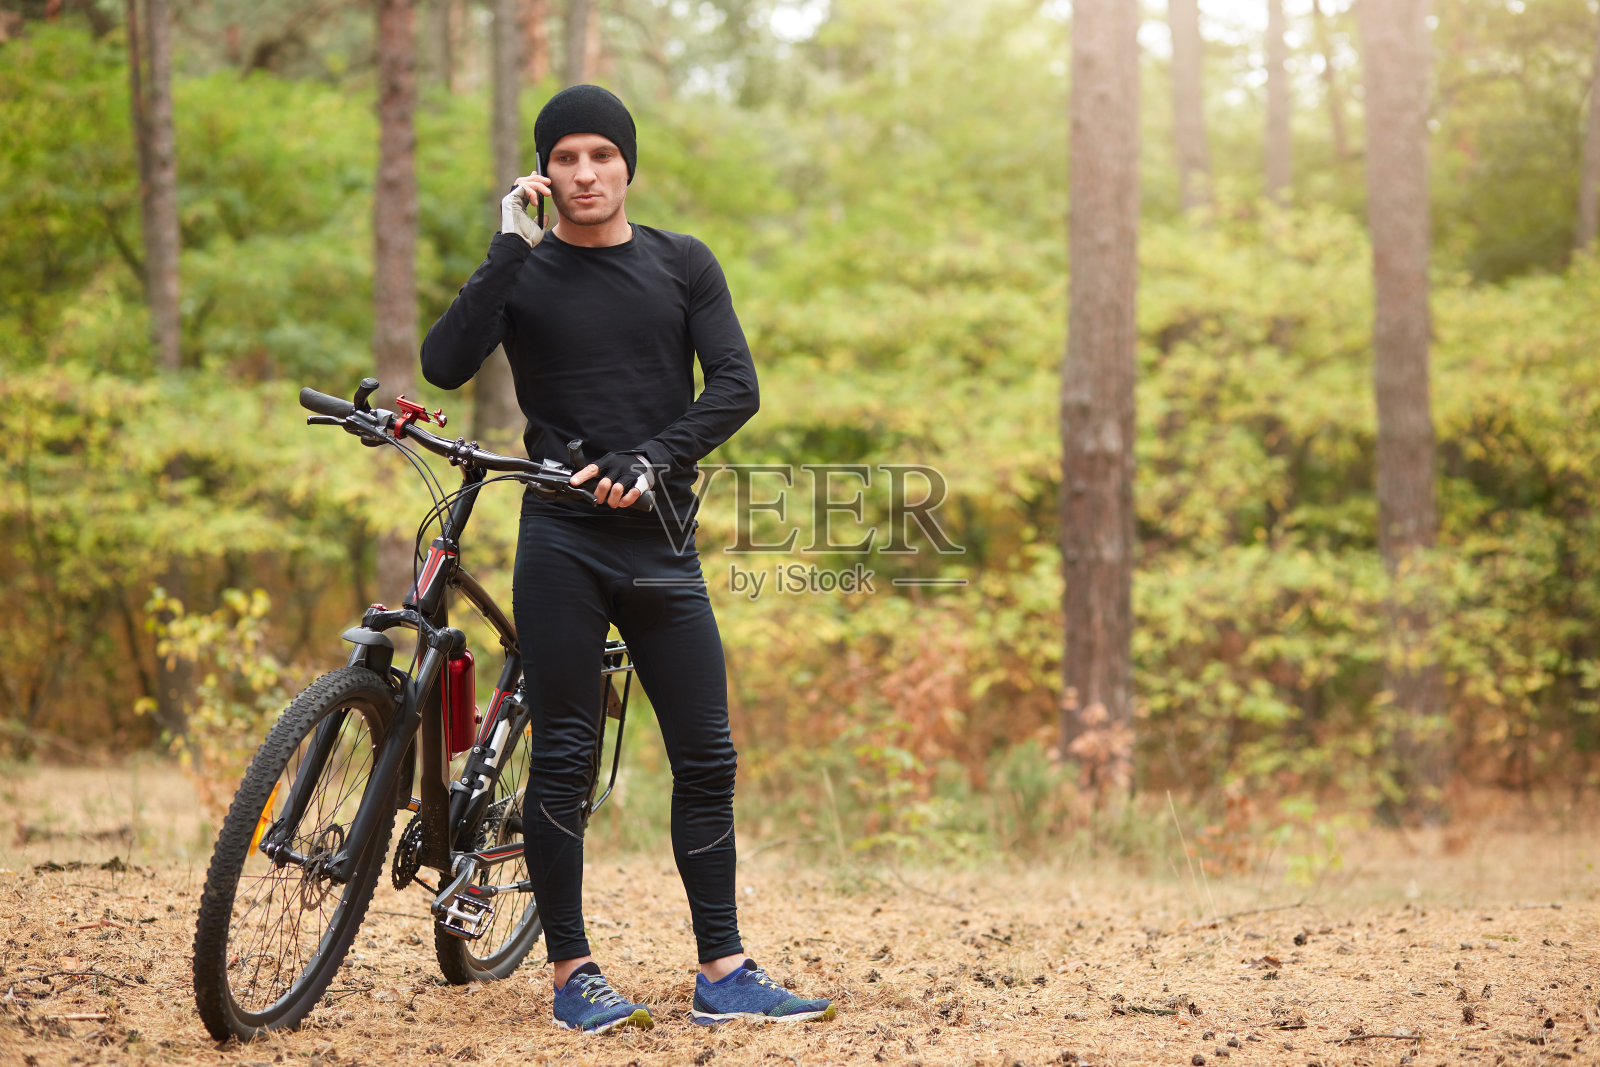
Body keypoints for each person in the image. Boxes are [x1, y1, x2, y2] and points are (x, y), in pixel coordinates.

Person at [419, 84, 835, 1034]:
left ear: (626, 164)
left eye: (600, 155)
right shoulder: (521, 271)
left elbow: (736, 385)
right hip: (560, 539)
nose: (584, 173)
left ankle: (723, 970)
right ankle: (573, 972)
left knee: (708, 754)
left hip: (660, 542)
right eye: (564, 158)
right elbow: (445, 364)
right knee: (563, 754)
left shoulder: (682, 263)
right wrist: (503, 250)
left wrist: (654, 456)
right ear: (543, 173)